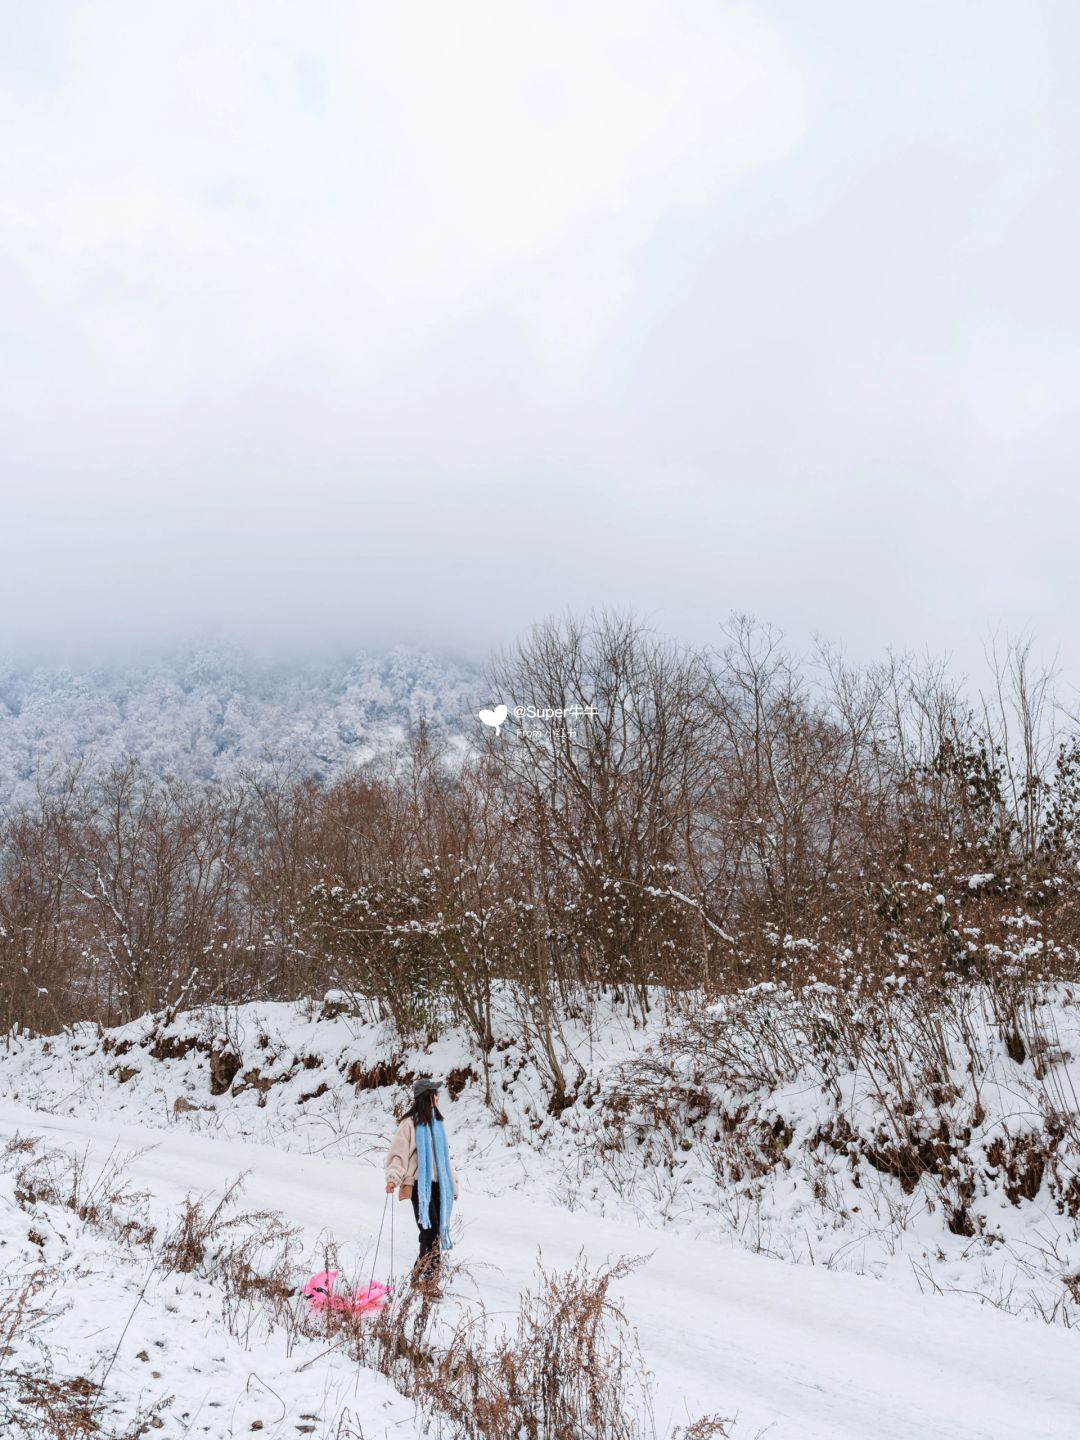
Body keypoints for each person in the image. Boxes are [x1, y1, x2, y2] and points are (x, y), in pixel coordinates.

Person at [385, 1076, 458, 1290]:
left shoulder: (437, 1125)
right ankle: (427, 1280)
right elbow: (398, 1155)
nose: (438, 1098)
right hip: (419, 1186)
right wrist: (393, 1178)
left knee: (433, 1232)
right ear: (428, 1098)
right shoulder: (408, 1125)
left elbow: (443, 1159)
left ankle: (421, 1278)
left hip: (438, 1185)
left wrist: (453, 1184)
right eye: (436, 1094)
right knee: (430, 1229)